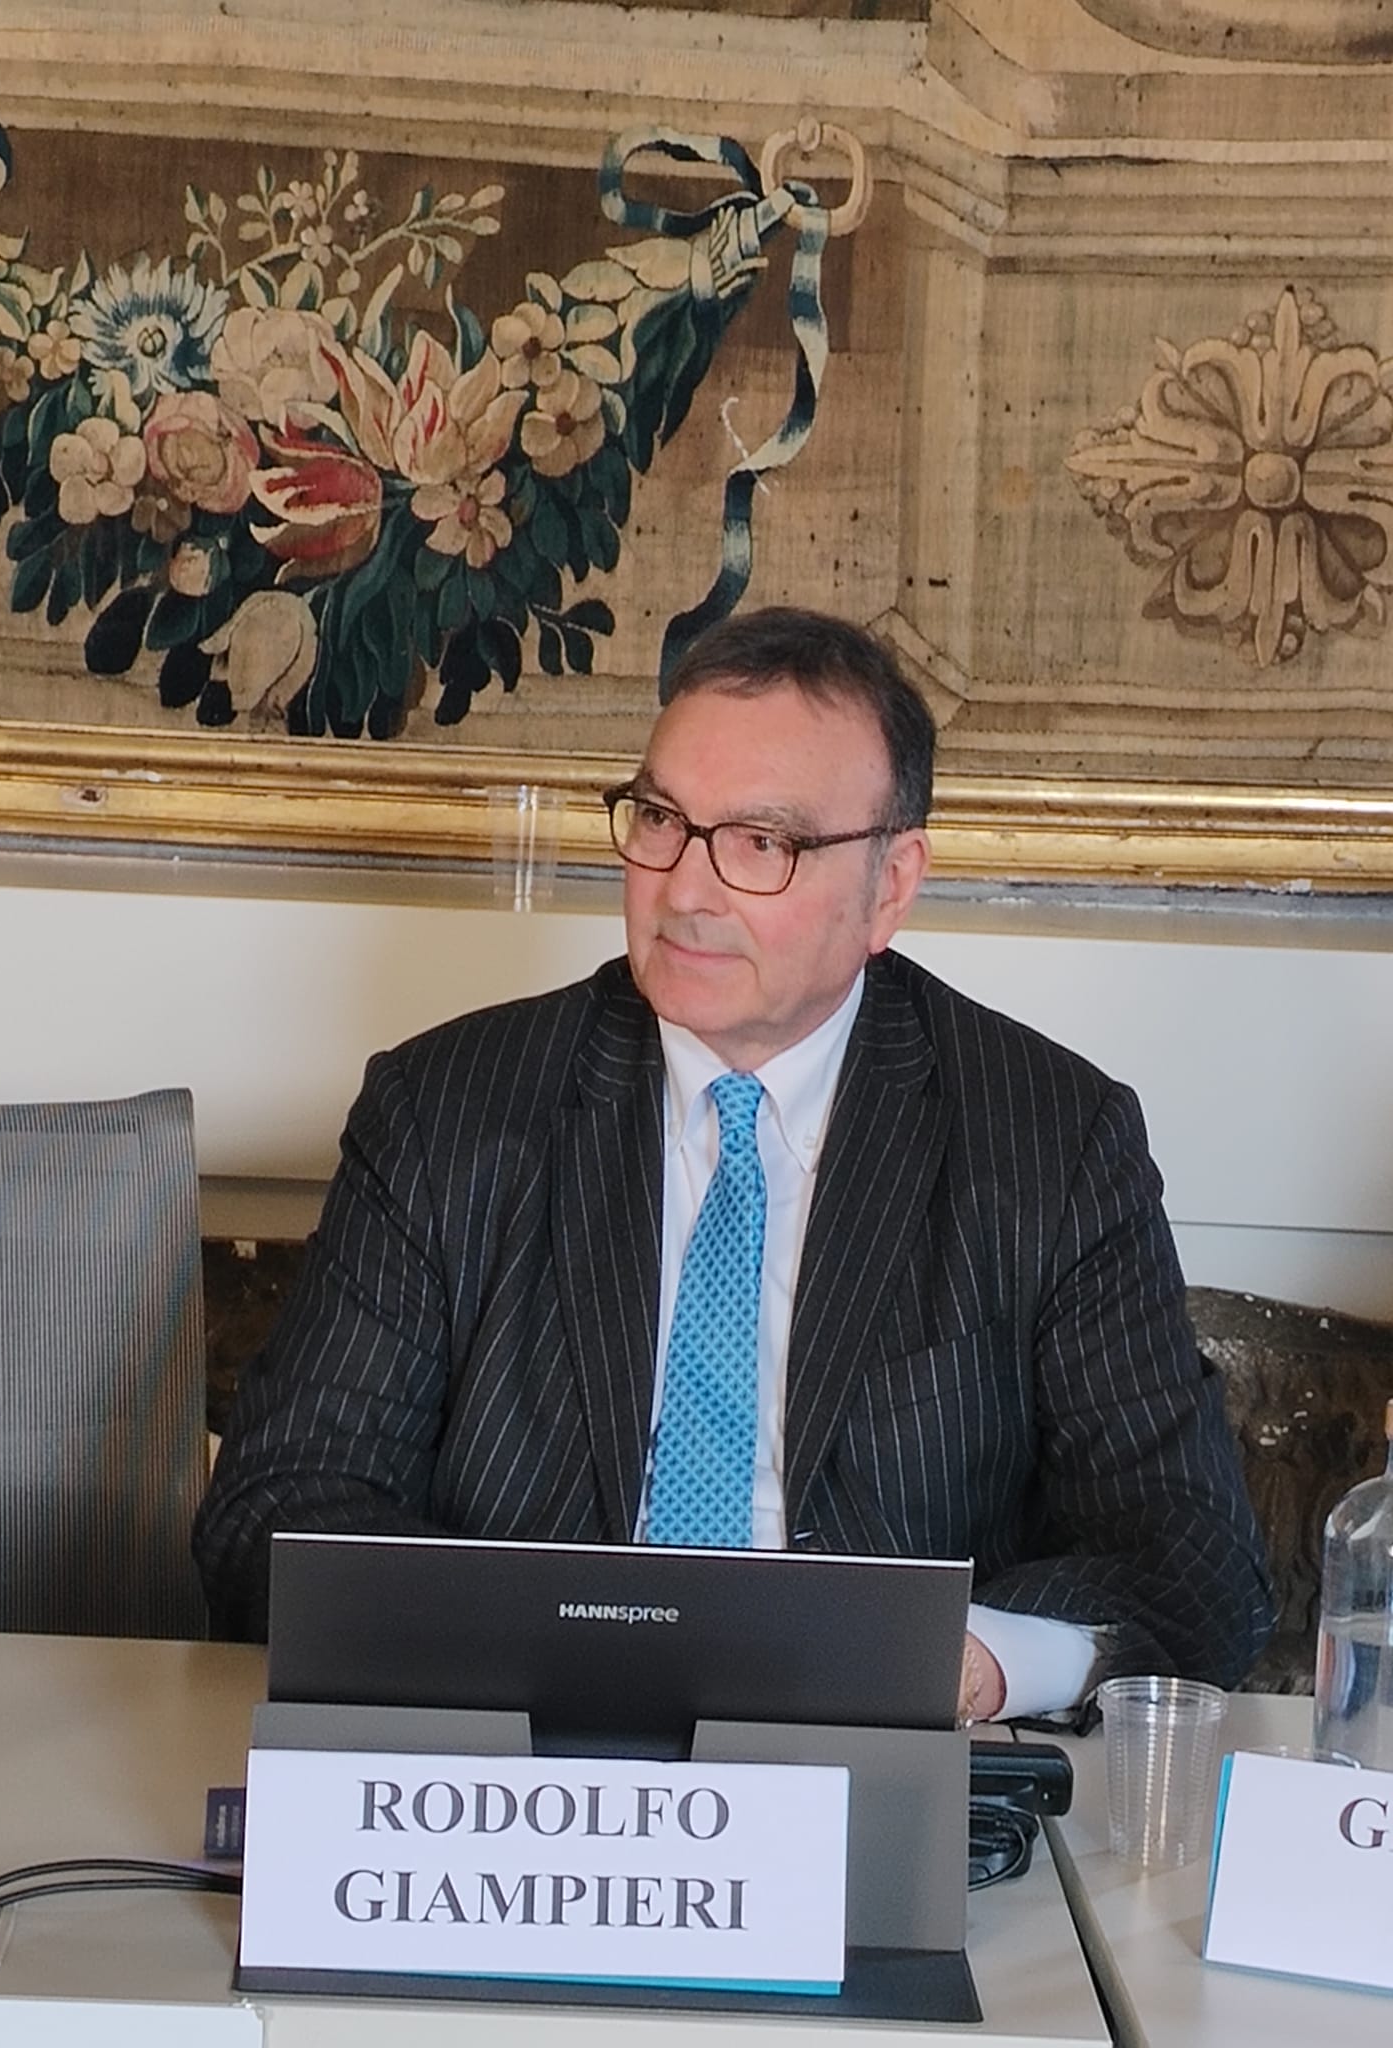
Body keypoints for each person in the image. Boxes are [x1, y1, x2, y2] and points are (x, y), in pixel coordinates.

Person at [193, 606, 1274, 1717]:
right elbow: (273, 1510)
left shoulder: (1049, 1140)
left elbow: (1194, 1562)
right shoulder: (448, 1109)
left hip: (883, 1755)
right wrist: (545, 1648)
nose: (685, 889)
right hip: (521, 1760)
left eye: (763, 842)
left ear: (891, 885)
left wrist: (970, 1661)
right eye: (662, 819)